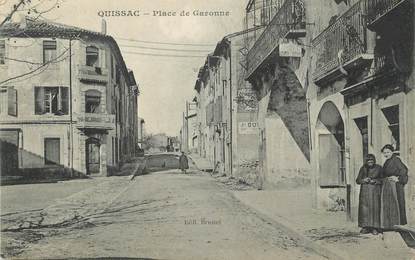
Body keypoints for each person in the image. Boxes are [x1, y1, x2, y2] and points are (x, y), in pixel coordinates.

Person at [380, 144, 409, 231]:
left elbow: (404, 170)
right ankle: (390, 224)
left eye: (388, 152)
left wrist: (398, 178)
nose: (386, 154)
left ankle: (399, 224)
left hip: (396, 186)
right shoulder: (386, 162)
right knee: (389, 204)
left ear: (392, 152)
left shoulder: (396, 160)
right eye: (384, 153)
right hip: (388, 186)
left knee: (397, 203)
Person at [356, 154, 383, 235]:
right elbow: (357, 180)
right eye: (368, 160)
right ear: (366, 161)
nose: (370, 162)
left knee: (375, 209)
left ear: (374, 161)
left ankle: (375, 228)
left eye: (372, 160)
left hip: (375, 192)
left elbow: (383, 179)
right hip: (364, 193)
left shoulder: (379, 168)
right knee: (364, 210)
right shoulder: (363, 168)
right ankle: (365, 227)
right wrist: (364, 180)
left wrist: (375, 181)